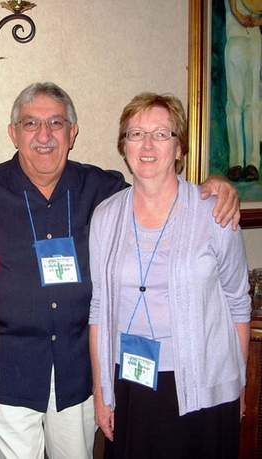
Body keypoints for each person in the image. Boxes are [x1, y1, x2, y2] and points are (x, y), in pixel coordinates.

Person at [0, 82, 240, 459]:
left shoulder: (104, 189)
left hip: (78, 374)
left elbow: (159, 184)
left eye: (57, 123)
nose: (44, 136)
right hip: (11, 375)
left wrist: (219, 183)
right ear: (13, 133)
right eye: (31, 124)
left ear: (73, 132)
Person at [89, 92, 250, 459]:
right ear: (123, 145)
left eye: (161, 134)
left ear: (179, 149)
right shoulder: (105, 217)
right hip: (131, 382)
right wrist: (102, 392)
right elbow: (99, 308)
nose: (147, 144)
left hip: (205, 386)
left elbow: (238, 302)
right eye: (136, 134)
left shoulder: (215, 212)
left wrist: (237, 383)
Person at [225, 0, 262, 182]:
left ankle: (253, 164)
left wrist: (256, 22)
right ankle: (236, 163)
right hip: (235, 39)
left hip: (255, 39)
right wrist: (238, 15)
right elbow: (234, 10)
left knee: (253, 102)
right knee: (234, 103)